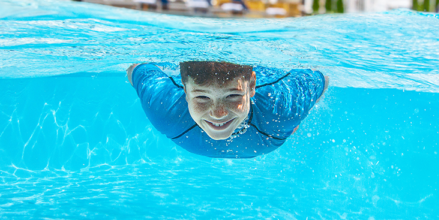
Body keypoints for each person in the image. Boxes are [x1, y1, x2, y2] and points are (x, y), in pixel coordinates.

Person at [127, 61, 328, 159]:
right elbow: (135, 69)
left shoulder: (280, 106)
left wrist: (299, 115)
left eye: (232, 96)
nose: (218, 113)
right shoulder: (167, 109)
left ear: (251, 88)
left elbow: (322, 78)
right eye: (202, 97)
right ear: (185, 91)